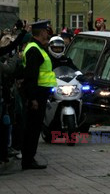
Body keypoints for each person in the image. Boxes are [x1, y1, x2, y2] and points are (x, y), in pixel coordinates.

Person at [21, 20, 56, 170]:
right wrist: (33, 98)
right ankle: (28, 159)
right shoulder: (34, 50)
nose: (47, 34)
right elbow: (31, 76)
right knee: (33, 128)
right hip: (37, 94)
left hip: (40, 93)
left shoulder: (37, 47)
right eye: (46, 31)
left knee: (34, 127)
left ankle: (29, 158)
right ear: (41, 32)